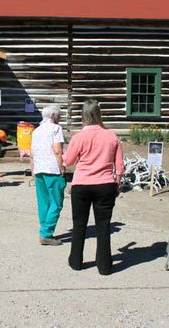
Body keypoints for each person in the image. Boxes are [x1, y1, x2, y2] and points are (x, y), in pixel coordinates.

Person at [63, 100, 124, 275]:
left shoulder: (78, 137)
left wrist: (64, 153)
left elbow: (68, 162)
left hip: (82, 184)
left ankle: (76, 261)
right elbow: (119, 165)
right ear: (99, 114)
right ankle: (104, 266)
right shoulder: (112, 136)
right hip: (105, 184)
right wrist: (117, 184)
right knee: (103, 226)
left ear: (83, 115)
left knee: (79, 224)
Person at [31, 105, 66, 246]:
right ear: (52, 115)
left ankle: (44, 229)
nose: (59, 117)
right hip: (52, 168)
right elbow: (57, 150)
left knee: (43, 202)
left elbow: (32, 152)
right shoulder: (56, 129)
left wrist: (32, 169)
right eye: (58, 115)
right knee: (56, 202)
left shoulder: (36, 131)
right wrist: (61, 166)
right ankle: (46, 232)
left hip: (39, 168)